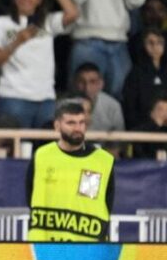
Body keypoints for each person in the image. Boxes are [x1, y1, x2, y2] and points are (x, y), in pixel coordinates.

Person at [0, 0, 80, 129]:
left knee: (45, 150)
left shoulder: (47, 22)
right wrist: (17, 42)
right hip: (13, 97)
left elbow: (73, 13)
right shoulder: (1, 23)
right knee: (14, 150)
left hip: (46, 99)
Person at [26, 98, 115, 241]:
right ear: (57, 126)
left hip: (88, 249)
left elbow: (107, 203)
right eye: (71, 123)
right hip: (45, 248)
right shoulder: (42, 156)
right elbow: (30, 196)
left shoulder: (102, 161)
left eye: (81, 123)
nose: (77, 128)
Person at [122, 28, 167, 129]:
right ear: (143, 45)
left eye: (159, 42)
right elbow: (130, 106)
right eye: (150, 43)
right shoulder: (135, 73)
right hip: (143, 127)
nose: (155, 47)